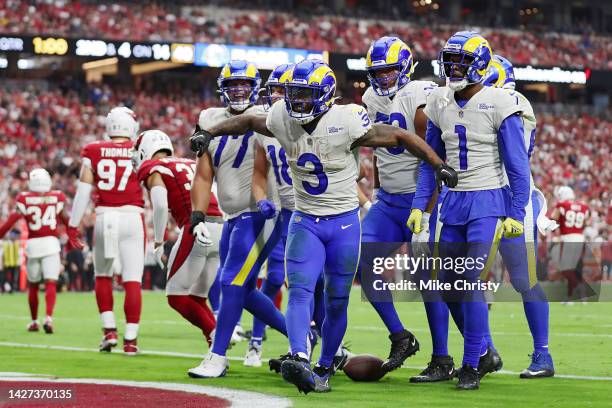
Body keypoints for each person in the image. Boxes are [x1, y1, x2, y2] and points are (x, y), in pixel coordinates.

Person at [190, 59, 456, 393]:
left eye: (306, 94)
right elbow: (245, 121)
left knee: (335, 300)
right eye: (294, 93)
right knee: (299, 290)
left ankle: (326, 363)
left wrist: (438, 164)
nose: (298, 101)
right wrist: (208, 131)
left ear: (326, 95)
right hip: (305, 221)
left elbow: (400, 134)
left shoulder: (346, 119)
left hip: (344, 222)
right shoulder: (282, 117)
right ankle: (299, 356)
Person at [408, 31, 531, 390]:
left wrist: (517, 211)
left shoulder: (500, 101)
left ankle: (471, 364)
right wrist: (420, 207)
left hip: (489, 201)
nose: (454, 67)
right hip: (453, 204)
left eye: (462, 61)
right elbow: (430, 162)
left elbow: (518, 165)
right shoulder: (439, 101)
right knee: (447, 286)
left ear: (479, 63)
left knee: (470, 282)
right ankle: (485, 352)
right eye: (451, 60)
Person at [187, 60, 288, 379]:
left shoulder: (266, 117)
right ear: (222, 89)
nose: (239, 90)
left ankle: (217, 355)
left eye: (245, 84)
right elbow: (204, 175)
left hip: (261, 214)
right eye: (233, 86)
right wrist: (198, 214)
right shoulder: (208, 117)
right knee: (238, 289)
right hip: (233, 216)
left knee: (231, 280)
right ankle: (304, 336)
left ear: (255, 87)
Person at [360, 36, 437, 373]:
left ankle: (455, 355)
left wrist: (429, 207)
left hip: (420, 199)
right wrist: (377, 189)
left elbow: (433, 153)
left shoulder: (419, 94)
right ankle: (400, 336)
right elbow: (378, 148)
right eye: (378, 71)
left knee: (432, 281)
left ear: (405, 67)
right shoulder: (368, 97)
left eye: (390, 70)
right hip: (389, 201)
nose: (384, 77)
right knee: (363, 261)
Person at [135, 129, 223, 354]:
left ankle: (217, 334)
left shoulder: (153, 167)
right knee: (197, 296)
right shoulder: (189, 162)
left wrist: (158, 241)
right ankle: (215, 344)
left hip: (197, 227)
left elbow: (161, 205)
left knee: (175, 295)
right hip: (221, 227)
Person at [67, 106, 145, 355]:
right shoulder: (139, 148)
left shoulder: (94, 149)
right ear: (131, 126)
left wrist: (72, 224)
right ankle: (131, 341)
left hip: (104, 217)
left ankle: (109, 330)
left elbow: (83, 191)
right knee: (133, 279)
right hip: (133, 217)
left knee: (102, 275)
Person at [0, 169, 69, 333]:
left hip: (33, 245)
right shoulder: (57, 197)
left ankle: (34, 321)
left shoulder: (25, 198)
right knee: (51, 282)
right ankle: (49, 318)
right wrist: (74, 235)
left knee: (33, 286)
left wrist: (0, 233)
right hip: (52, 244)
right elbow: (66, 219)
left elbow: (11, 221)